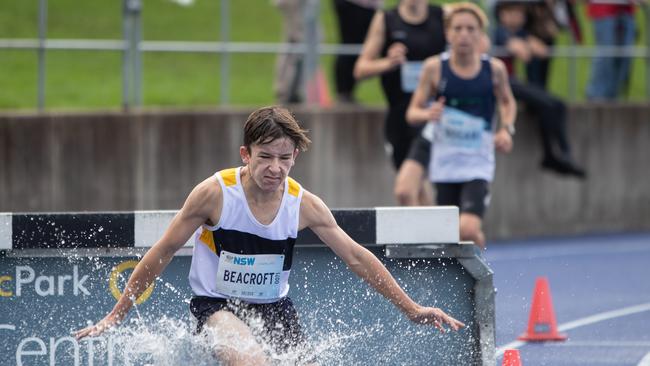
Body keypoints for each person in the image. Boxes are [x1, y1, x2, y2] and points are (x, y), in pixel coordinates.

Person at [75, 106, 465, 365]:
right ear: (246, 154)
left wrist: (413, 309)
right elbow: (161, 253)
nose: (275, 169)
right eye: (265, 157)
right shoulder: (214, 193)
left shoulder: (304, 204)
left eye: (284, 158)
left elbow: (357, 257)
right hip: (217, 306)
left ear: (295, 157)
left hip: (275, 309)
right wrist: (116, 315)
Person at [405, 2, 517, 249]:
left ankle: (480, 276)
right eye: (458, 28)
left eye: (470, 28)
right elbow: (412, 112)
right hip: (445, 164)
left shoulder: (494, 69)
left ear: (480, 34)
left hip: (477, 163)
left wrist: (506, 129)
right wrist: (427, 113)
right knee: (451, 237)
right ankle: (477, 268)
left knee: (466, 227)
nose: (464, 34)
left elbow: (508, 103)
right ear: (448, 33)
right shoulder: (435, 68)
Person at [353, 0, 447, 206]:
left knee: (411, 186)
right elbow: (360, 69)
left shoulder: (442, 15)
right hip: (400, 116)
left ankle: (432, 235)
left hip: (434, 115)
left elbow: (477, 44)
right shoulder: (387, 19)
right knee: (412, 192)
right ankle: (425, 236)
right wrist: (389, 62)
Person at [494, 0, 586, 177]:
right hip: (504, 83)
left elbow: (540, 49)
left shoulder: (519, 32)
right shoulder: (500, 32)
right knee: (548, 104)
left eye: (519, 13)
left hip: (513, 82)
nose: (517, 17)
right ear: (502, 15)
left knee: (555, 104)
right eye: (512, 13)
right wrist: (524, 46)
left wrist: (527, 44)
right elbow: (522, 51)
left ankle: (557, 153)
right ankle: (559, 153)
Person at [332, 0, 383, 104]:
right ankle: (343, 93)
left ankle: (347, 93)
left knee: (357, 47)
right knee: (350, 45)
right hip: (355, 4)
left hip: (365, 5)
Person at [585, 0, 637, 100]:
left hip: (626, 9)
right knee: (606, 55)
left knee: (625, 57)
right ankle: (596, 97)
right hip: (603, 8)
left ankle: (612, 99)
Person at [274, 0, 306, 104]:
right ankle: (285, 92)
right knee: (291, 57)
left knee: (296, 57)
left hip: (299, 31)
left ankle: (292, 92)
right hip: (297, 32)